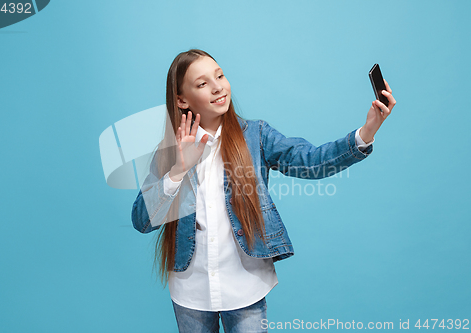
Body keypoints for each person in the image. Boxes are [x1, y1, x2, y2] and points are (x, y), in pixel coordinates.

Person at [131, 49, 396, 333]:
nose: (218, 86)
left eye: (220, 75)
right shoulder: (171, 150)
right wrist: (177, 172)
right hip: (190, 292)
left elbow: (312, 161)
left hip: (246, 287)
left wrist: (366, 133)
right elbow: (142, 221)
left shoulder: (255, 136)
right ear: (181, 99)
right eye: (203, 83)